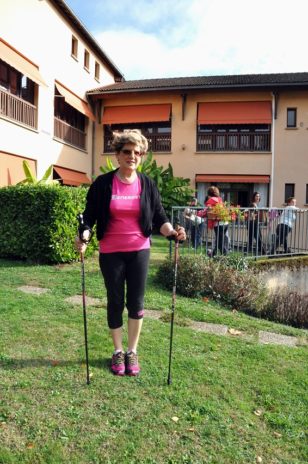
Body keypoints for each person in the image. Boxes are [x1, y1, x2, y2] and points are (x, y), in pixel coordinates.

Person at [75, 129, 186, 377]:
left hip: (139, 251)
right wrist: (83, 237)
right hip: (111, 251)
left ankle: (132, 351)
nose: (132, 156)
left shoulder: (147, 184)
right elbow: (88, 218)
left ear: (142, 156)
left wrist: (172, 232)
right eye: (127, 151)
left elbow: (160, 218)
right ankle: (117, 351)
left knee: (136, 302)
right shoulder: (103, 184)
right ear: (117, 154)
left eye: (138, 152)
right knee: (115, 300)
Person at [198, 186, 229, 256]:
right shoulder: (220, 199)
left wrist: (198, 213)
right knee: (219, 240)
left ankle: (225, 257)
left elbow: (207, 211)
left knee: (220, 242)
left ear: (209, 194)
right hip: (225, 222)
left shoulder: (211, 200)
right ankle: (213, 254)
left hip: (218, 224)